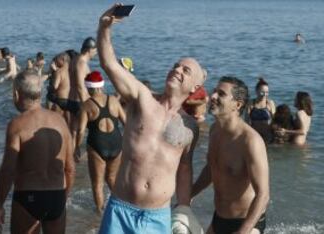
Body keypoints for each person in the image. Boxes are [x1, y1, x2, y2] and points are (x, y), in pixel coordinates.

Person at [97, 5, 204, 233]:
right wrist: (104, 28)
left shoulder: (190, 127)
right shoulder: (142, 98)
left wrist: (184, 208)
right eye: (176, 66)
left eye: (185, 70)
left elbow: (184, 167)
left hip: (158, 217)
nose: (177, 70)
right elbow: (110, 64)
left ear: (195, 87)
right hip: (120, 210)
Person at [0, 70, 75, 233]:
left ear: (16, 94)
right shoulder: (60, 121)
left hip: (28, 197)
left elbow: (7, 170)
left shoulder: (17, 125)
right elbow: (70, 168)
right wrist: (62, 199)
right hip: (56, 196)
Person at [192, 76, 269, 234]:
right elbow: (212, 169)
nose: (212, 96)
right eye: (214, 92)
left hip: (247, 223)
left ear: (237, 105)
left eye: (221, 94)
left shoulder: (250, 141)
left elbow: (263, 194)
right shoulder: (214, 130)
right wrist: (188, 195)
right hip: (219, 218)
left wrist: (243, 231)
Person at [76, 71, 126, 214]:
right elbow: (126, 122)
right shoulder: (114, 100)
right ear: (101, 86)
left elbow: (80, 130)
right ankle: (122, 206)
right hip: (116, 143)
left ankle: (99, 214)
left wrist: (76, 147)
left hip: (98, 145)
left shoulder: (86, 105)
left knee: (97, 184)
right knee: (112, 178)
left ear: (89, 88)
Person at [246, 77, 276, 143]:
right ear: (256, 91)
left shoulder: (269, 103)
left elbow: (275, 120)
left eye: (267, 92)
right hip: (255, 135)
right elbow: (247, 122)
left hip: (267, 135)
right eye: (262, 92)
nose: (265, 95)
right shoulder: (251, 103)